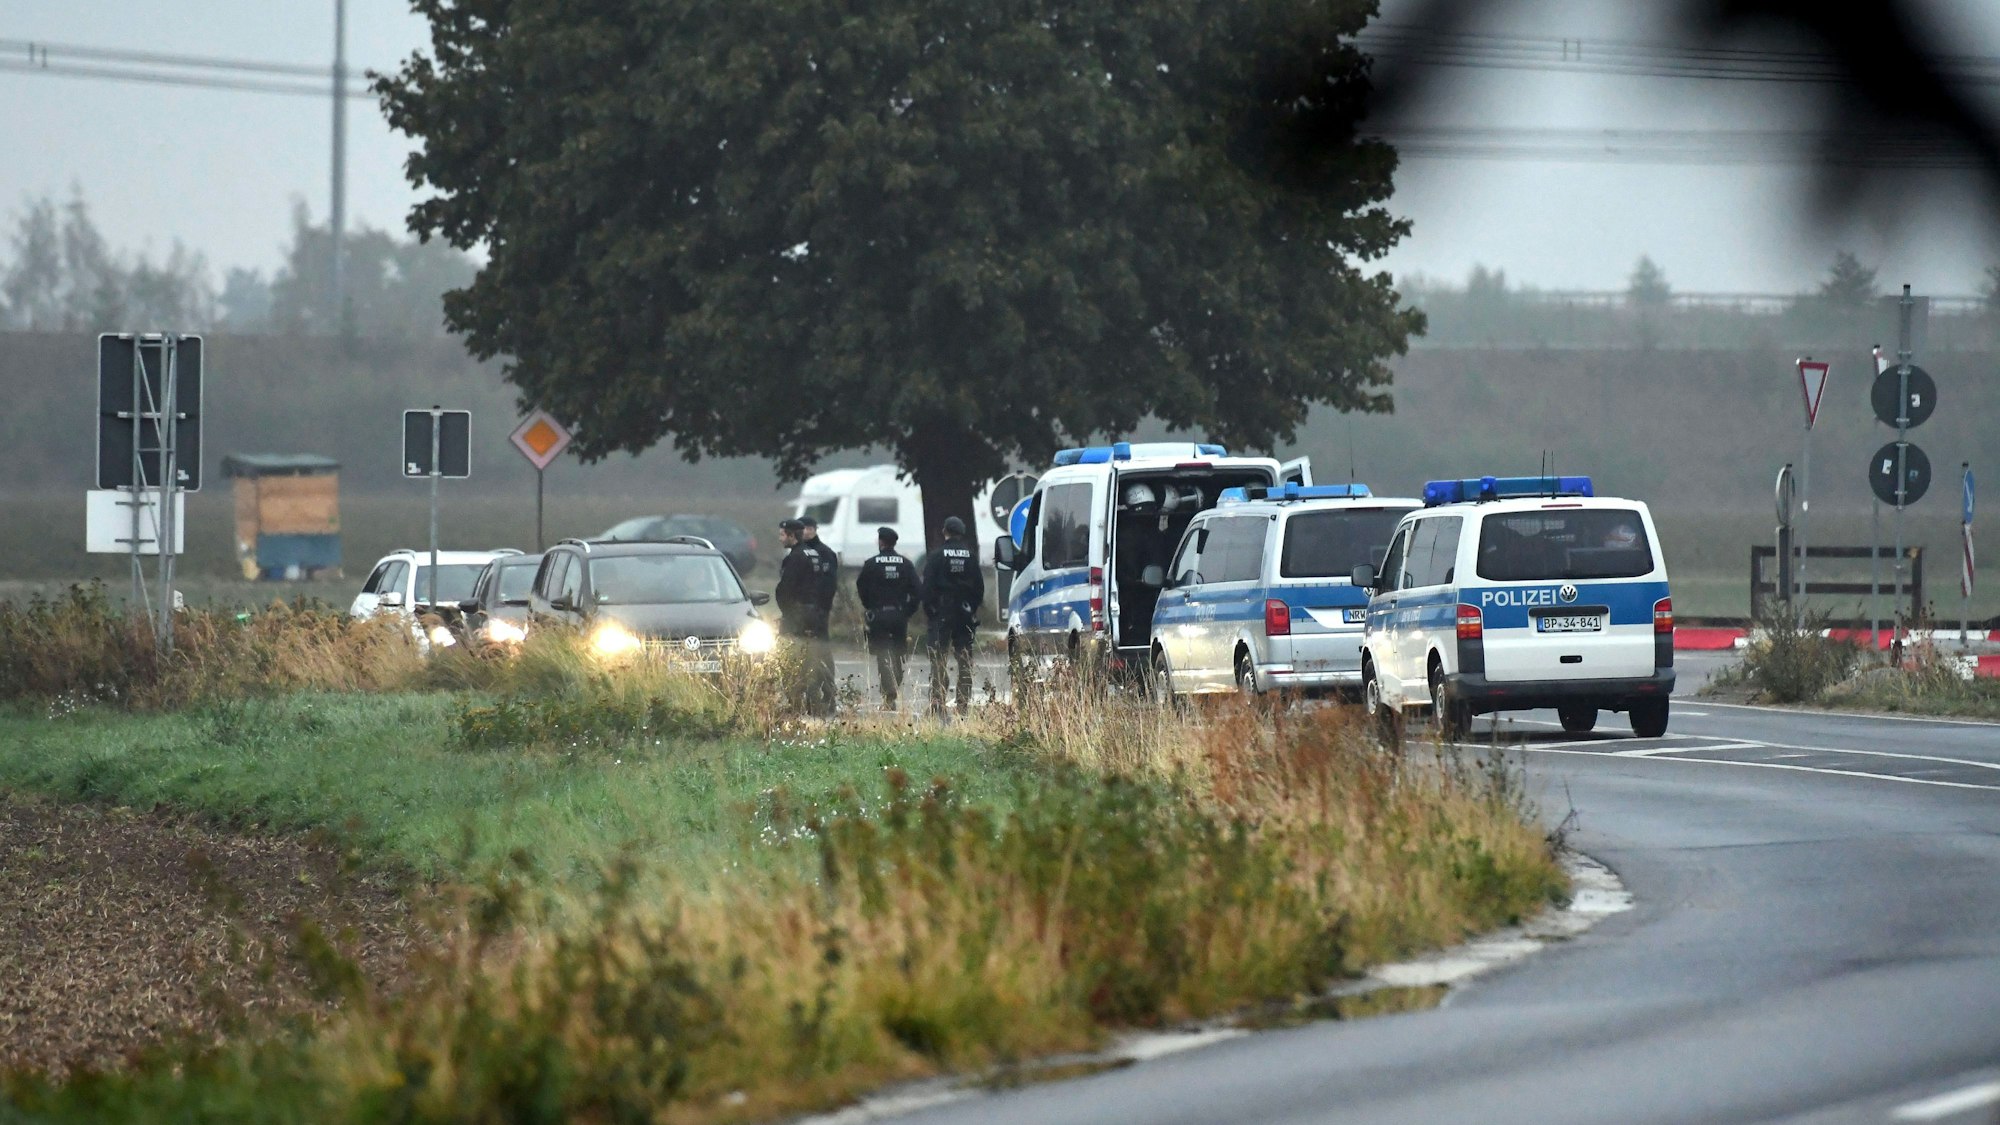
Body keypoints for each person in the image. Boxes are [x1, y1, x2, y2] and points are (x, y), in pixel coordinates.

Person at [922, 515, 985, 716]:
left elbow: (928, 586)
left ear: (945, 532)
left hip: (942, 613)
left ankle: (937, 702)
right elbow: (979, 588)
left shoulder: (936, 555)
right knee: (965, 660)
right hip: (964, 614)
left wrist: (931, 611)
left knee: (938, 658)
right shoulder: (970, 555)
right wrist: (971, 608)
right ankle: (963, 704)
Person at [775, 518, 836, 714]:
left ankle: (799, 705)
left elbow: (786, 589)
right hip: (816, 613)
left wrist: (788, 614)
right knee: (816, 658)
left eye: (782, 534)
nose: (780, 538)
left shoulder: (795, 557)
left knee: (794, 662)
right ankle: (821, 701)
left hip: (799, 617)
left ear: (792, 535)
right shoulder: (815, 554)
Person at [855, 527, 920, 710]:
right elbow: (917, 590)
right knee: (899, 654)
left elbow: (861, 587)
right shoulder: (905, 564)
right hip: (899, 615)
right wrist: (908, 610)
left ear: (881, 542)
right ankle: (894, 686)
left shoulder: (871, 563)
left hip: (879, 615)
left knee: (883, 655)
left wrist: (870, 607)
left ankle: (888, 695)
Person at [797, 515, 841, 711]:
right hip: (801, 614)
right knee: (804, 656)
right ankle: (809, 695)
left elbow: (829, 585)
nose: (804, 532)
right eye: (801, 529)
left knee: (822, 653)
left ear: (814, 529)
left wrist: (822, 609)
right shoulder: (799, 553)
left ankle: (828, 694)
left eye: (807, 528)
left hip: (819, 612)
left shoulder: (825, 553)